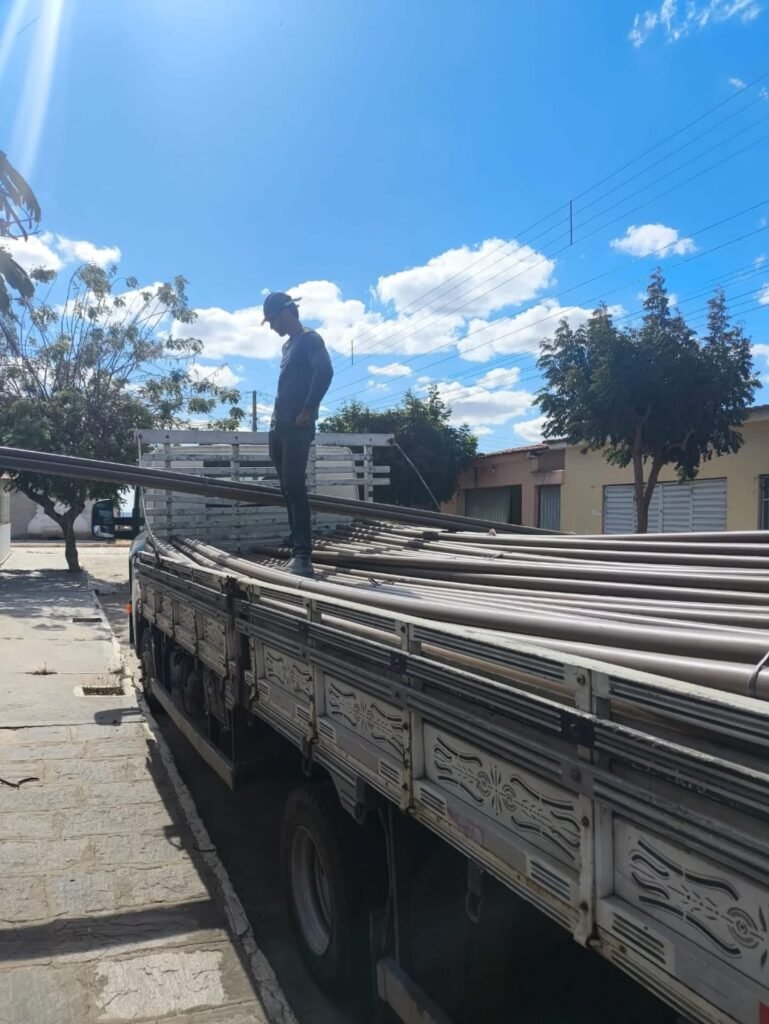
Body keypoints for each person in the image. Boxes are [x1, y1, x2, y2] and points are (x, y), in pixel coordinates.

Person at [263, 292, 333, 578]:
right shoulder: (288, 346)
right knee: (286, 488)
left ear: (285, 313)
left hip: (297, 427)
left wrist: (307, 409)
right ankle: (296, 540)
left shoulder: (310, 339)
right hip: (279, 427)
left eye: (272, 320)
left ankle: (302, 555)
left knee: (294, 486)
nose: (271, 327)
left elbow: (325, 371)